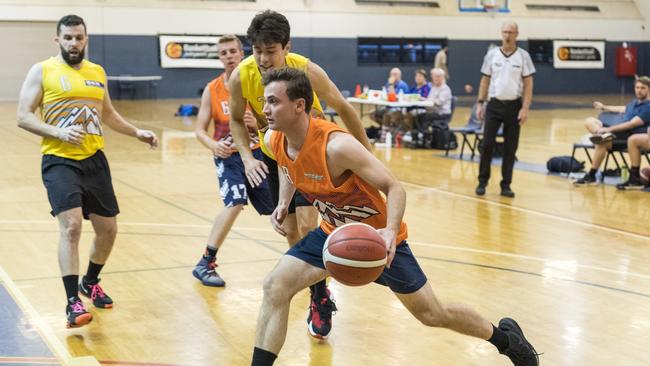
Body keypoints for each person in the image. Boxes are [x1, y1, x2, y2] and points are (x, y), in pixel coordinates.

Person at [250, 68, 539, 366]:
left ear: (299, 105)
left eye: (273, 101)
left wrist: (388, 232)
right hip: (332, 234)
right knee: (275, 286)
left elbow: (394, 187)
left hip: (379, 240)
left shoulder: (337, 146)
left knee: (433, 314)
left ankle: (507, 341)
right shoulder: (274, 139)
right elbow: (288, 167)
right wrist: (284, 201)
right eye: (265, 100)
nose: (265, 109)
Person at [228, 10, 371, 339]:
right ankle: (317, 289)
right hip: (276, 156)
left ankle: (320, 299)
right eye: (257, 50)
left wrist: (366, 153)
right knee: (292, 232)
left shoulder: (306, 70)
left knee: (308, 225)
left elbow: (345, 107)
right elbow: (237, 118)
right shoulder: (241, 76)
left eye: (270, 50)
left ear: (286, 47)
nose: (263, 58)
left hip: (312, 155)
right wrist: (248, 159)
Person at [16, 15, 158, 328]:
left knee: (108, 230)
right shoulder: (43, 70)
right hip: (59, 159)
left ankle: (89, 282)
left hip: (94, 160)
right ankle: (71, 302)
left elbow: (107, 113)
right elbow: (23, 117)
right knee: (71, 228)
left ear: (86, 39)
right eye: (67, 38)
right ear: (58, 40)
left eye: (78, 38)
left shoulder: (97, 73)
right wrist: (58, 132)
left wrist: (137, 132)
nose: (73, 43)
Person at [192, 35, 274, 287]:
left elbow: (272, 123)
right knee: (235, 202)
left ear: (242, 54)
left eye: (232, 51)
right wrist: (214, 146)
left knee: (277, 207)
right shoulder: (212, 89)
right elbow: (199, 130)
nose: (228, 56)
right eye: (223, 53)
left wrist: (258, 122)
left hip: (257, 154)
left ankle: (303, 258)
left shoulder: (257, 83)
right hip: (228, 157)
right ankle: (206, 261)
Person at [475, 21, 535, 198]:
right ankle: (482, 181)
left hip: (514, 106)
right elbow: (485, 80)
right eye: (504, 32)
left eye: (511, 32)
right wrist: (480, 103)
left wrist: (525, 108)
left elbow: (528, 84)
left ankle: (506, 184)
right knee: (486, 145)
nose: (507, 35)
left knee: (511, 147)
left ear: (517, 34)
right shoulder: (492, 55)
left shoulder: (523, 56)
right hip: (494, 105)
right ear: (501, 34)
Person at [574, 76, 650, 185]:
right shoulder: (635, 102)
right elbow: (622, 108)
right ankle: (601, 134)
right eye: (637, 87)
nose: (639, 90)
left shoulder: (648, 107)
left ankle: (591, 175)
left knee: (602, 143)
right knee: (589, 121)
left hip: (627, 136)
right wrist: (604, 107)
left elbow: (631, 124)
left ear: (649, 89)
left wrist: (609, 129)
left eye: (643, 88)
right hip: (616, 131)